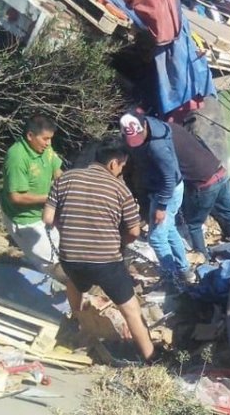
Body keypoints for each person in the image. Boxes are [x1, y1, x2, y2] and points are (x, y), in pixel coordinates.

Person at [43, 140, 154, 361]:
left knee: (75, 282)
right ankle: (151, 357)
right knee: (131, 309)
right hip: (106, 261)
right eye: (122, 166)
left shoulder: (64, 178)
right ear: (113, 163)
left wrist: (71, 229)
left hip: (70, 257)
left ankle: (77, 322)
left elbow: (47, 218)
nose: (121, 171)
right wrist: (119, 242)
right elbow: (133, 231)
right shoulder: (120, 189)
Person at [120, 113, 191, 287]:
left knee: (157, 238)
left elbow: (169, 178)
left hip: (167, 192)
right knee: (170, 230)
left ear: (144, 127)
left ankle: (172, 281)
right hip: (163, 190)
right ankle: (184, 271)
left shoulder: (156, 147)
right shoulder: (151, 126)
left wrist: (161, 206)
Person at [168, 119, 230, 254]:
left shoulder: (163, 143)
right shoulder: (177, 129)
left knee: (194, 224)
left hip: (205, 184)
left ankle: (202, 258)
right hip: (221, 173)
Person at [0, 116, 64, 275]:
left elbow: (57, 171)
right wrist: (50, 197)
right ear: (30, 136)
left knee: (62, 252)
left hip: (45, 213)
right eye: (45, 139)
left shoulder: (45, 147)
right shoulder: (17, 157)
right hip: (25, 221)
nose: (48, 143)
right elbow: (16, 197)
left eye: (50, 139)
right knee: (52, 265)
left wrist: (65, 188)